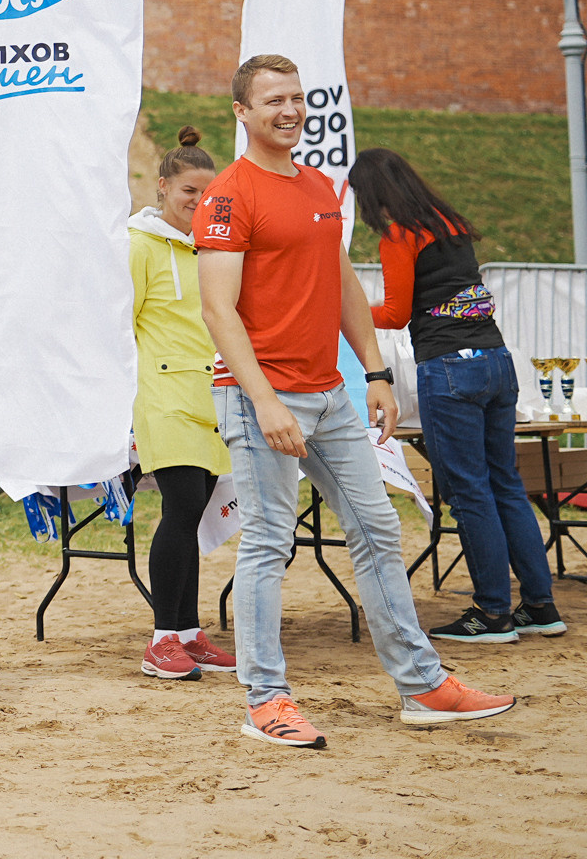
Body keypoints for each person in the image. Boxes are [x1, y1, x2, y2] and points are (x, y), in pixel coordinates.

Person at [196, 54, 515, 747]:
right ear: (242, 113)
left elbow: (339, 281)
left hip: (331, 394)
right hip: (261, 397)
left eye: (297, 98)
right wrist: (265, 401)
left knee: (378, 532)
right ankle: (265, 701)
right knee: (269, 546)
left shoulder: (317, 185)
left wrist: (374, 372)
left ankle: (423, 685)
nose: (290, 110)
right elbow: (219, 311)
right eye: (274, 99)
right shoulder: (227, 196)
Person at [348, 146, 564, 644]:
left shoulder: (398, 234)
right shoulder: (450, 223)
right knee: (506, 484)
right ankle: (540, 605)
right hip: (496, 360)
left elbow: (398, 313)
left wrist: (349, 309)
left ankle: (491, 614)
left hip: (447, 367)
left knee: (469, 492)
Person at [128, 126, 236, 681]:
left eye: (208, 192)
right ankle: (162, 640)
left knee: (191, 514)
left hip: (210, 397)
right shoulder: (138, 245)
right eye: (189, 190)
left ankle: (190, 634)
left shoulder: (217, 248)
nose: (198, 201)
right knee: (180, 510)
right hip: (161, 397)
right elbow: (120, 330)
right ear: (164, 186)